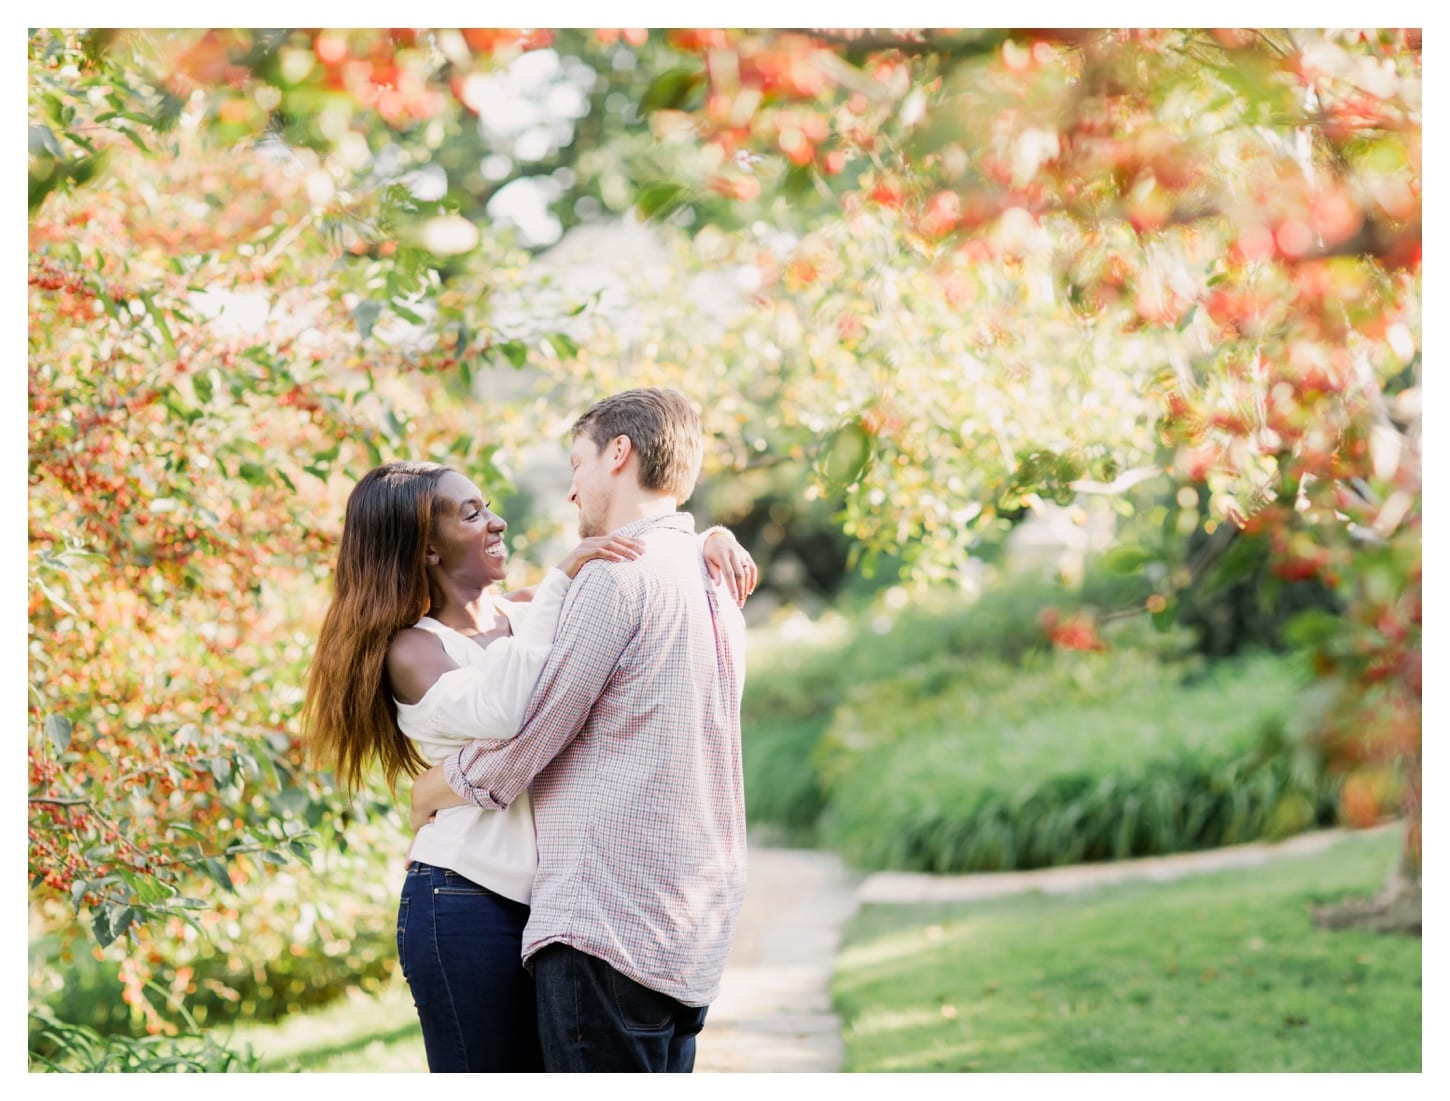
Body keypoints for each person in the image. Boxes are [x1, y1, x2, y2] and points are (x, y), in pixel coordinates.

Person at [302, 457, 756, 1073]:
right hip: (465, 898)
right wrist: (561, 581)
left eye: (487, 505)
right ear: (428, 549)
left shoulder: (525, 613)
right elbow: (506, 708)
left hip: (554, 908)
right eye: (472, 514)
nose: (497, 522)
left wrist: (707, 539)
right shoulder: (413, 650)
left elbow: (638, 577)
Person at [409, 387, 750, 1073]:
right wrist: (709, 532)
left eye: (577, 463)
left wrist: (438, 787)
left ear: (618, 453)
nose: (571, 491)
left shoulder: (615, 575)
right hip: (689, 927)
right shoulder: (716, 578)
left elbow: (535, 729)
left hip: (608, 924)